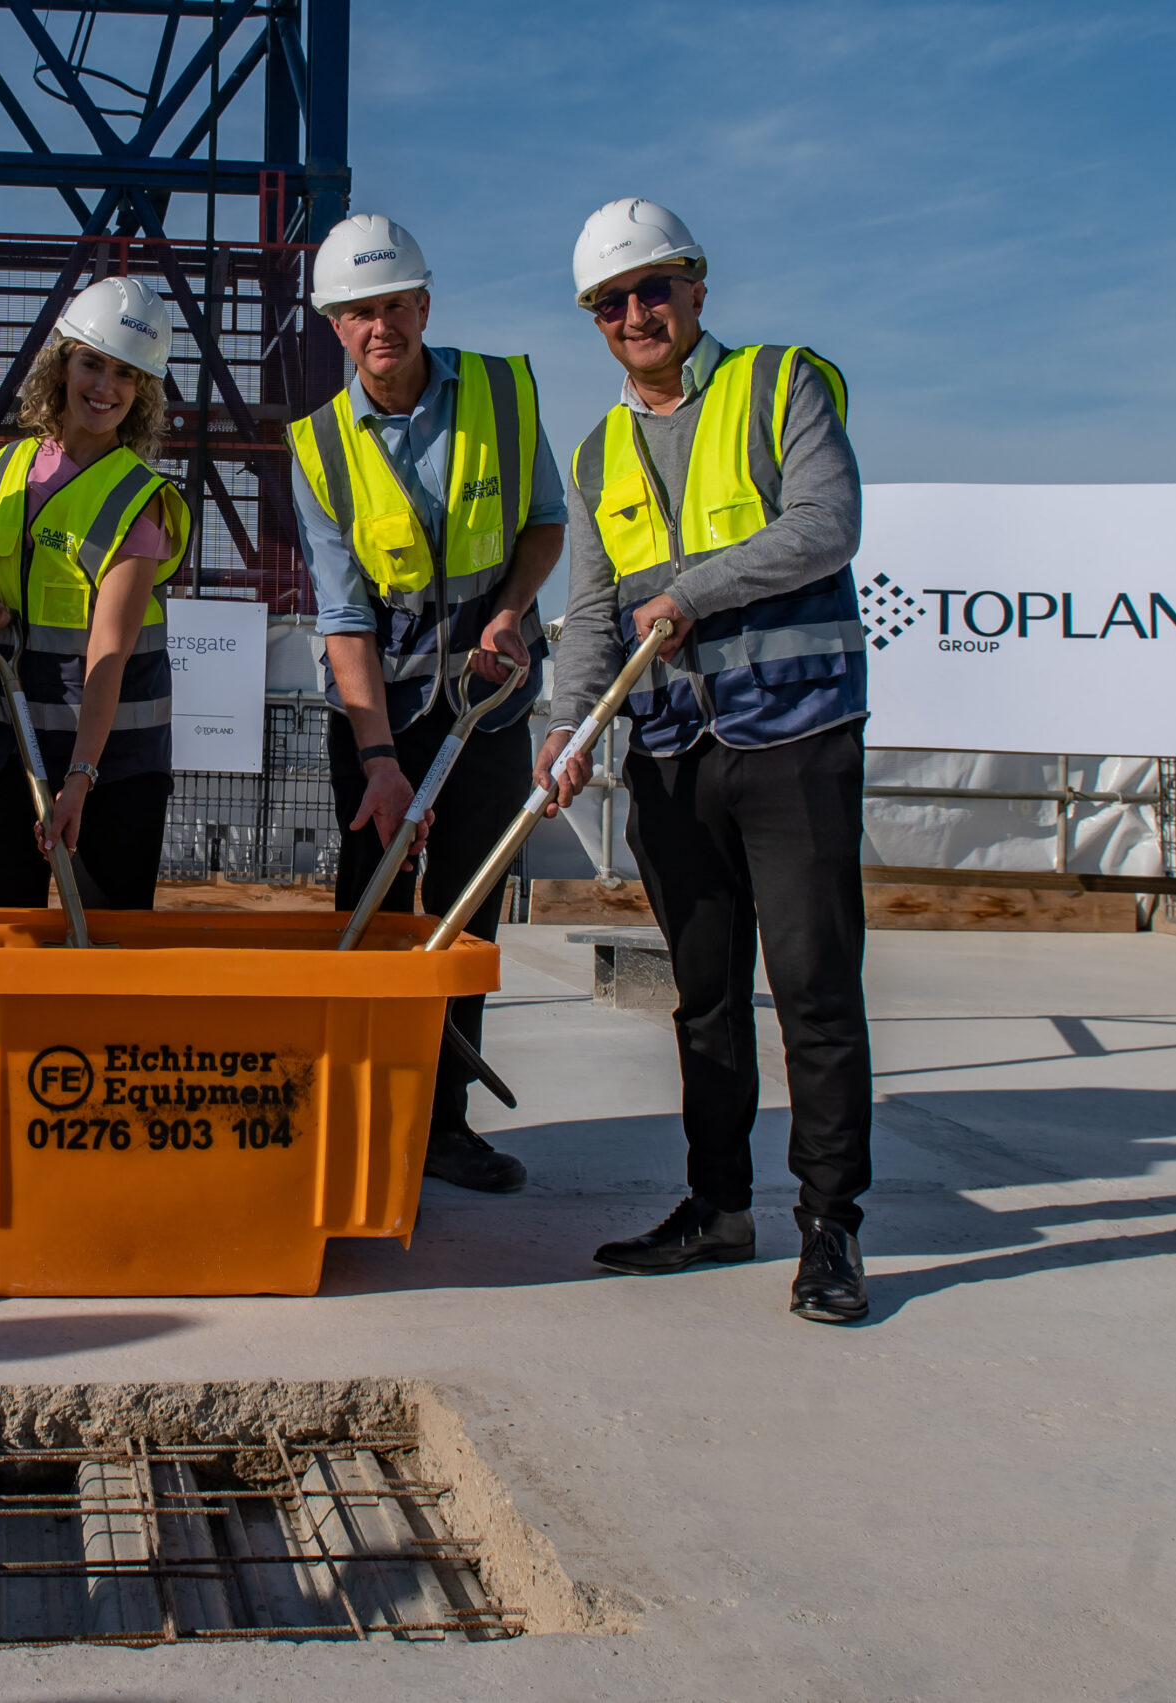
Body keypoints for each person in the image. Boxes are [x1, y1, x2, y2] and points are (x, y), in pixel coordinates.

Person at [539, 198, 872, 1323]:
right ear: (596, 320)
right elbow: (591, 609)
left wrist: (694, 593)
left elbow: (824, 527)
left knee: (816, 989)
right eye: (612, 302)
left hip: (795, 736)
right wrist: (568, 724)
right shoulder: (595, 453)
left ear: (694, 288)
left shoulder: (783, 385)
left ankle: (829, 1229)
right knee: (702, 998)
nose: (637, 313)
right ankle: (716, 1207)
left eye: (654, 288)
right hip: (674, 753)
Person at [287, 214, 567, 1194]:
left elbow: (542, 521)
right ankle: (355, 1111)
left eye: (393, 305)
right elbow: (340, 613)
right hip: (377, 710)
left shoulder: (500, 391)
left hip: (485, 700)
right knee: (367, 911)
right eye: (356, 312)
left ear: (424, 304)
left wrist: (511, 614)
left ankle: (440, 1126)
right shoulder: (319, 445)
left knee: (463, 912)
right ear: (334, 324)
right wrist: (378, 759)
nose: (378, 328)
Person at [0, 276, 192, 911]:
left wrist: (78, 781)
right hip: (9, 741)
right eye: (92, 363)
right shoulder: (9, 467)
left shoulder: (139, 500)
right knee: (2, 940)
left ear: (143, 391)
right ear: (63, 363)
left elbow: (110, 652)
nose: (104, 388)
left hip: (110, 766)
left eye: (126, 375)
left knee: (104, 956)